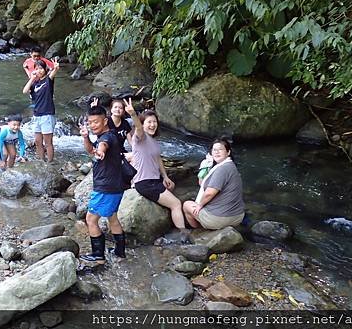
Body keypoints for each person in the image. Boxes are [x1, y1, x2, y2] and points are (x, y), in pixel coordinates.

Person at [124, 99, 187, 235]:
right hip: (144, 183)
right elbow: (139, 128)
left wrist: (165, 176)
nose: (152, 125)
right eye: (149, 122)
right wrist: (133, 115)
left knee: (172, 187)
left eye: (154, 122)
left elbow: (158, 160)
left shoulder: (153, 141)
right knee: (176, 204)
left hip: (154, 180)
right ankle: (183, 233)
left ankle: (173, 222)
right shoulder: (139, 138)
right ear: (143, 124)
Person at [79, 105, 126, 264]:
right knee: (112, 217)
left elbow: (101, 148)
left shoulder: (106, 138)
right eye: (90, 122)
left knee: (91, 219)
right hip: (115, 185)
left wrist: (99, 152)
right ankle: (120, 251)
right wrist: (86, 137)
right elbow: (91, 150)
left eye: (96, 122)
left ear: (105, 121)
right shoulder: (107, 135)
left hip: (106, 187)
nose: (92, 125)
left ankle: (98, 255)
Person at [183, 139, 245, 230]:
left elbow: (209, 193)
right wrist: (205, 167)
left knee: (186, 205)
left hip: (220, 219)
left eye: (220, 149)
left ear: (228, 152)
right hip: (237, 216)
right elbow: (201, 183)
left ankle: (199, 231)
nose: (216, 152)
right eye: (214, 150)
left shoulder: (222, 169)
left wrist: (199, 205)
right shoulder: (229, 165)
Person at [22, 59, 60, 162]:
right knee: (38, 142)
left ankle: (50, 162)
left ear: (45, 69)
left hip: (47, 115)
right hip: (37, 115)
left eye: (41, 68)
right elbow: (25, 91)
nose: (39, 71)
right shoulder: (34, 84)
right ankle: (42, 161)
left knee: (48, 142)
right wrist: (32, 78)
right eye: (37, 68)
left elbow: (54, 73)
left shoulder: (48, 80)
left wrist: (55, 67)